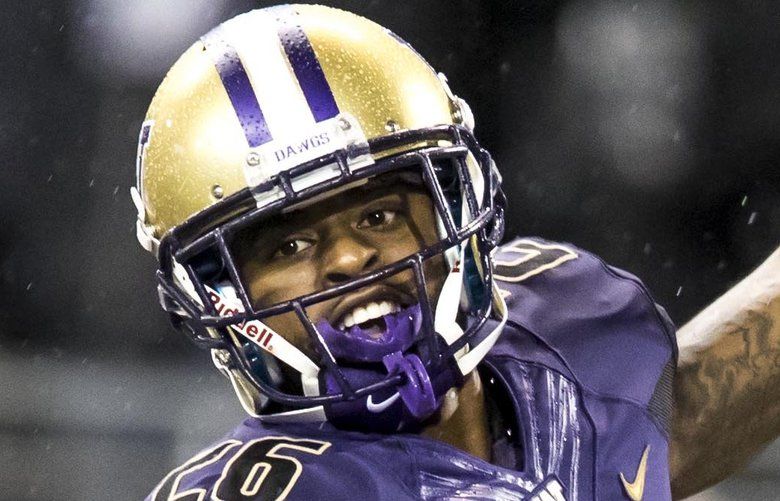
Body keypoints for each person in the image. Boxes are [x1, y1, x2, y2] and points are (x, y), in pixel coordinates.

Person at [132, 5, 778, 500]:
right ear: (216, 290)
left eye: (379, 213)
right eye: (289, 243)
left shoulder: (570, 334)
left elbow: (680, 426)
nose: (350, 257)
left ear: (454, 205)